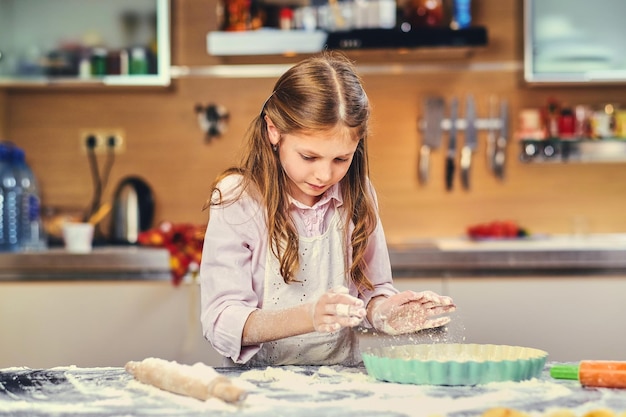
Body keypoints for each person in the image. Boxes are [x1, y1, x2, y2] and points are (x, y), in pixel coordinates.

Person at [199, 51, 455, 367]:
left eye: (340, 159)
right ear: (274, 131)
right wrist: (308, 316)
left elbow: (371, 292)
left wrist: (386, 312)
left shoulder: (357, 194)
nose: (324, 175)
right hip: (259, 388)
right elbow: (220, 320)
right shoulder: (239, 198)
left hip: (341, 381)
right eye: (309, 157)